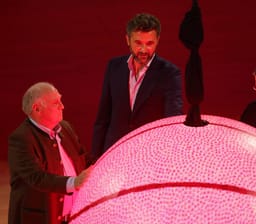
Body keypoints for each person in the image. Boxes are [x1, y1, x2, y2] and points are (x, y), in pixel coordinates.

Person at [91, 13, 183, 160]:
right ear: (127, 39)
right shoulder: (114, 67)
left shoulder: (170, 74)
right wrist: (94, 159)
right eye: (138, 43)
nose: (143, 50)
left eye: (149, 43)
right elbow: (103, 118)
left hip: (150, 155)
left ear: (158, 40)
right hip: (114, 153)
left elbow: (172, 121)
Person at [8, 82, 92, 224]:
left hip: (72, 214)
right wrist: (75, 182)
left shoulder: (66, 127)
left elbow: (82, 158)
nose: (62, 106)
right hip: (40, 218)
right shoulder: (21, 138)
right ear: (37, 109)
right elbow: (36, 177)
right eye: (56, 103)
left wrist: (108, 159)